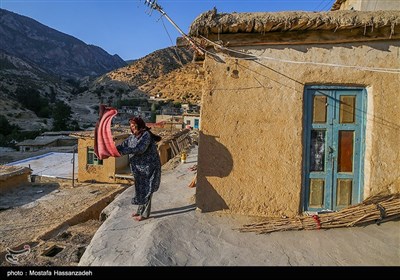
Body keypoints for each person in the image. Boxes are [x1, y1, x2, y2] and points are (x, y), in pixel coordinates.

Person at [116, 117, 162, 221]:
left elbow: (140, 149)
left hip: (149, 168)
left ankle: (145, 214)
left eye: (134, 125)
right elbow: (122, 146)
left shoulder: (146, 135)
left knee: (147, 190)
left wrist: (124, 152)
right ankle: (139, 211)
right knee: (140, 190)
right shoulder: (132, 137)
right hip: (139, 169)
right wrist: (112, 150)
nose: (133, 128)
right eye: (131, 126)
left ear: (139, 125)